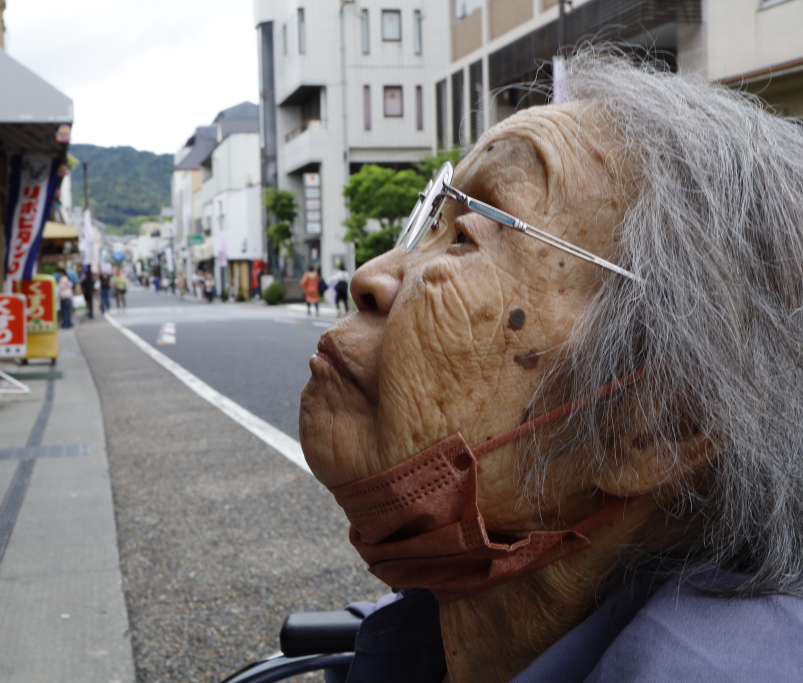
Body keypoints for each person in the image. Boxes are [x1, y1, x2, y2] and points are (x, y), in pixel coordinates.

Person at [299, 48, 803, 682]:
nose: (370, 278)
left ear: (658, 427)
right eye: (437, 214)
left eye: (469, 233)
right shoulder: (420, 643)